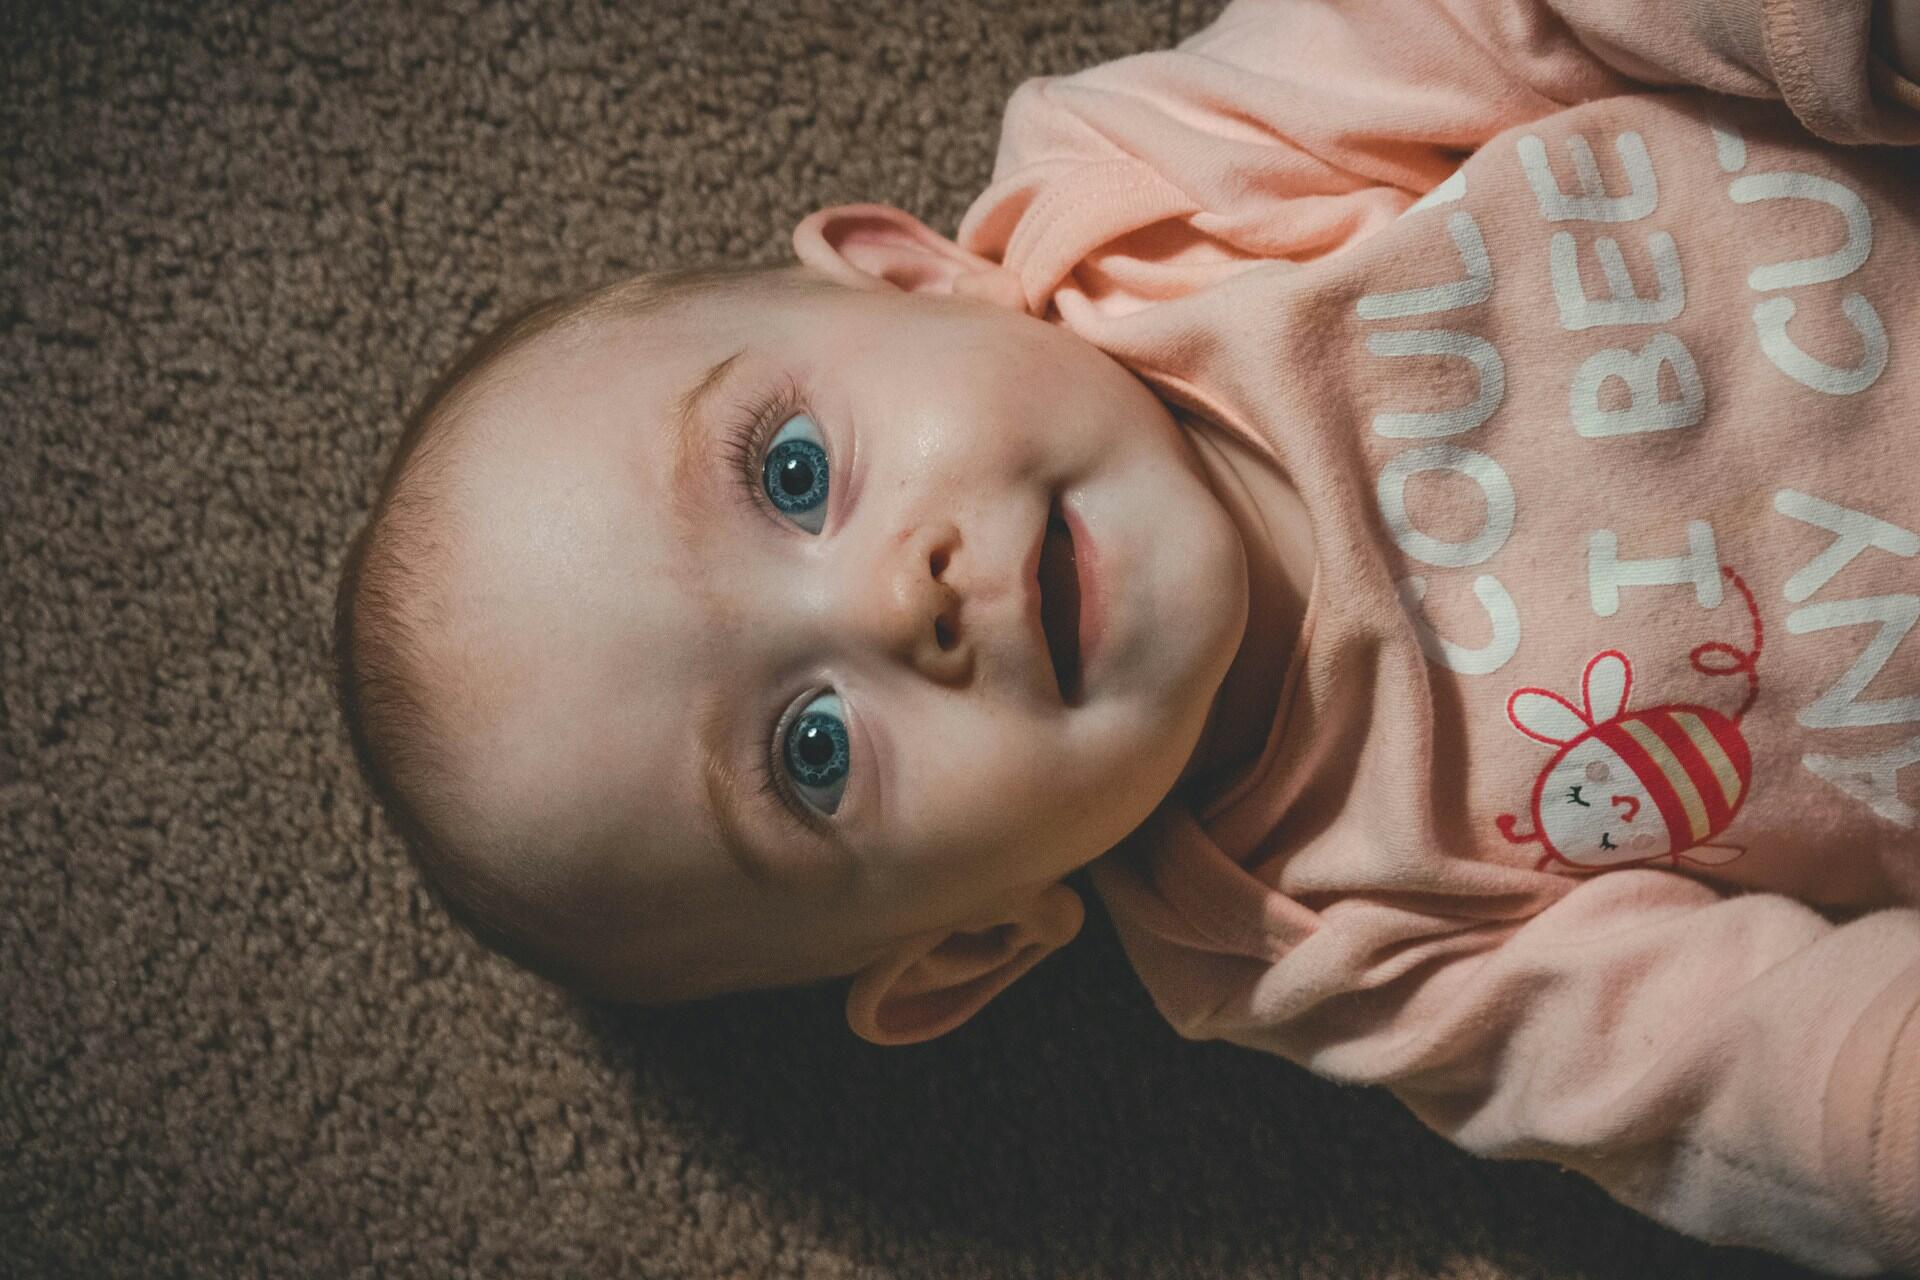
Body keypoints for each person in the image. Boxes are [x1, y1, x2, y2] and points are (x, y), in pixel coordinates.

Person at [334, 1, 1920, 1270]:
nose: (894, 602)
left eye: (793, 475)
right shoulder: (1324, 941)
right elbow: (1756, 1075)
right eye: (812, 752)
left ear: (913, 278)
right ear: (972, 939)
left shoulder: (1157, 194)